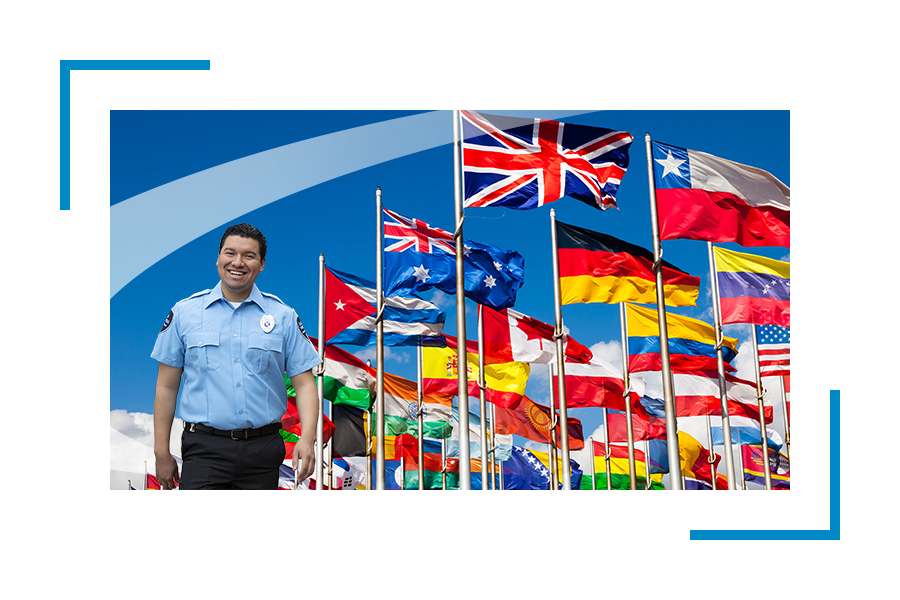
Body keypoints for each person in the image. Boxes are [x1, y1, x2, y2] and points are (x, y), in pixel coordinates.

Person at [151, 223, 321, 489]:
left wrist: (308, 438)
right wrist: (161, 450)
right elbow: (166, 386)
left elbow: (304, 383)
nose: (238, 263)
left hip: (264, 452)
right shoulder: (185, 313)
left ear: (262, 264)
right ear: (218, 258)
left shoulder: (284, 316)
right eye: (230, 253)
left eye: (249, 256)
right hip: (204, 450)